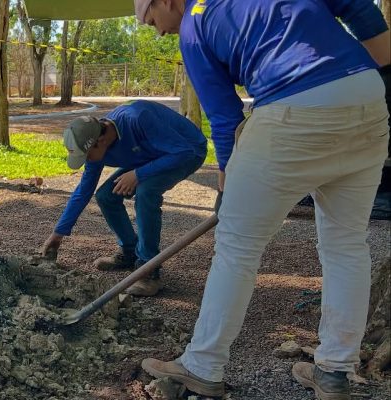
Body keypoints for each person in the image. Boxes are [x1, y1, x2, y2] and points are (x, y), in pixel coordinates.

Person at [134, 0, 390, 398]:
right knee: (347, 244)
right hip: (368, 97)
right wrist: (366, 73)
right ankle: (334, 372)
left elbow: (224, 116)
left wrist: (227, 183)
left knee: (237, 246)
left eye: (151, 21)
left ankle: (203, 365)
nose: (158, 31)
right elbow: (359, 7)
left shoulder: (194, 24)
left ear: (166, 1)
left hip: (293, 107)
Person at [39, 100, 207, 297]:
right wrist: (58, 233)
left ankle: (148, 270)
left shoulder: (137, 119)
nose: (88, 161)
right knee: (105, 196)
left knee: (146, 192)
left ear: (99, 141)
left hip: (187, 151)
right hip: (151, 156)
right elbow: (84, 190)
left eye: (86, 156)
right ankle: (129, 252)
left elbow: (183, 151)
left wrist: (138, 174)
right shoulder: (96, 146)